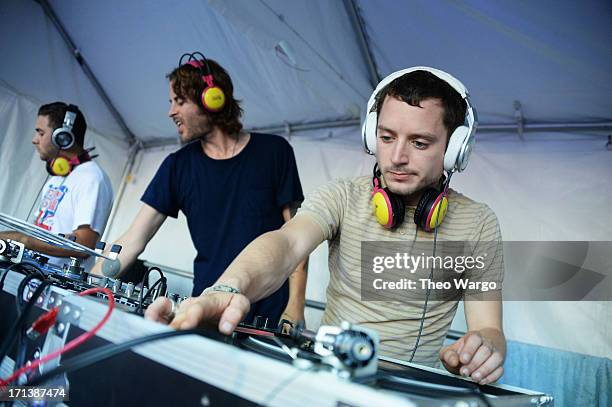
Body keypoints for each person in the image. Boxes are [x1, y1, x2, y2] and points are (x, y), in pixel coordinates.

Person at [146, 67, 507, 385]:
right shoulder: (342, 196)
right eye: (386, 137)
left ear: (455, 148)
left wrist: (484, 351)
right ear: (371, 136)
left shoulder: (478, 224)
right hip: (328, 379)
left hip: (411, 392)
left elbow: (488, 327)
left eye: (419, 142)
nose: (397, 157)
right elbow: (286, 245)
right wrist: (228, 286)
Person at [93, 52, 306, 326]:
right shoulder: (177, 166)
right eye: (171, 102)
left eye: (179, 102)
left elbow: (296, 238)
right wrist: (89, 281)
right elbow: (134, 238)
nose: (171, 112)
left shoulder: (275, 152)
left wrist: (295, 307)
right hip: (207, 309)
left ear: (212, 99)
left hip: (270, 317)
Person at [0, 102, 113, 271]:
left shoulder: (92, 178)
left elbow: (84, 245)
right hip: (31, 273)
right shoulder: (56, 177)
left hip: (54, 283)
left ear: (63, 137)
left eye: (41, 132)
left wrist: (22, 239)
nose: (34, 139)